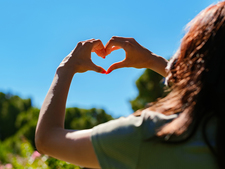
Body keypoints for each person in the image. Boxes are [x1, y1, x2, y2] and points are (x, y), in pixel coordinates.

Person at [35, 1, 225, 169]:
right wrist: (152, 61)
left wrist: (66, 68)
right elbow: (208, 86)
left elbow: (48, 140)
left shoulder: (151, 136)